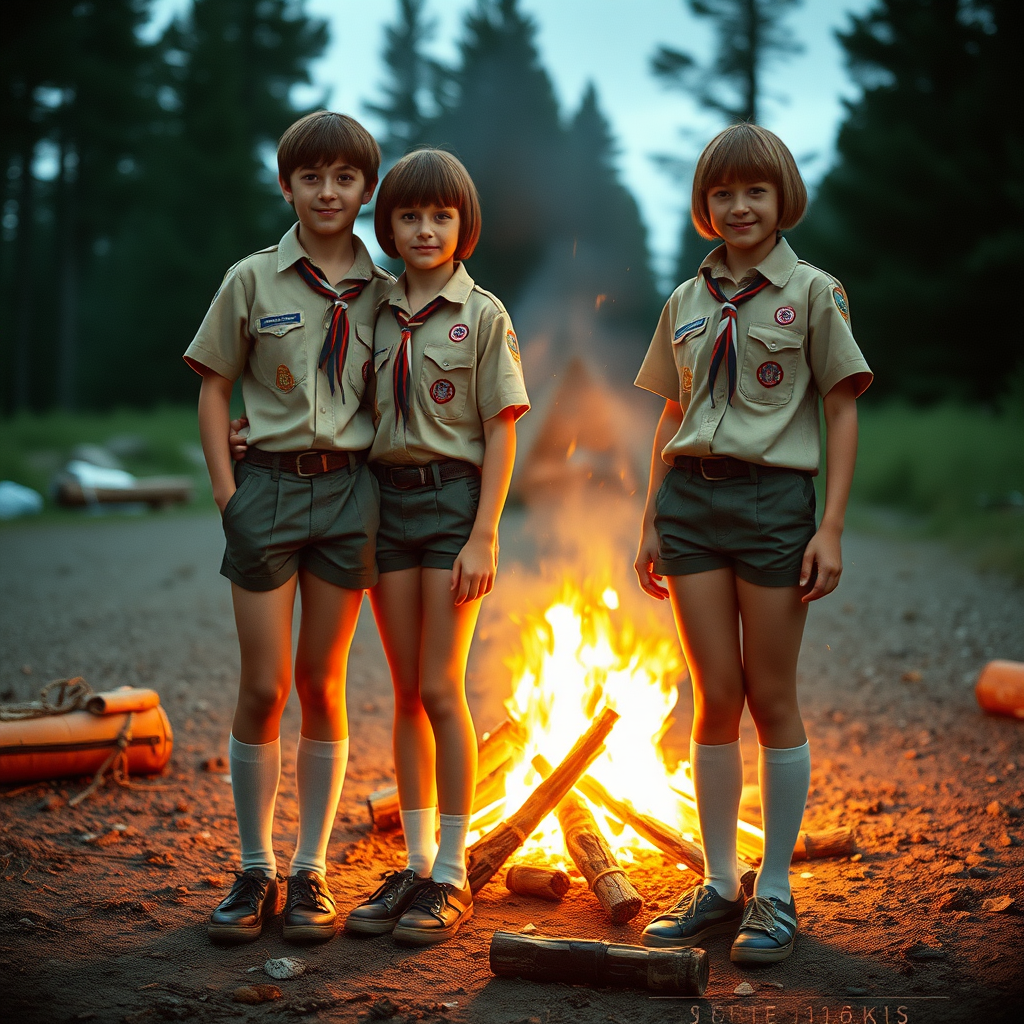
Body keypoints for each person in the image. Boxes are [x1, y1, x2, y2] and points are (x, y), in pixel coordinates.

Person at [633, 123, 872, 964]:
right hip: (692, 505)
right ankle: (721, 882)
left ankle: (775, 892)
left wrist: (830, 526)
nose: (739, 207)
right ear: (706, 205)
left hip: (776, 506)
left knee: (772, 697)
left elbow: (841, 408)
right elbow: (671, 410)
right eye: (724, 194)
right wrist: (649, 516)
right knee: (713, 699)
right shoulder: (686, 302)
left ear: (782, 201)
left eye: (755, 192)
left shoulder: (813, 293)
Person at [184, 111, 393, 945]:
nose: (329, 192)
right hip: (265, 490)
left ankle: (309, 870)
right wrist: (226, 492)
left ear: (366, 191)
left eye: (346, 178)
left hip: (348, 496)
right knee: (263, 686)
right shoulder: (251, 280)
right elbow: (212, 389)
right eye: (312, 177)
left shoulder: (386, 294)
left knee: (321, 684)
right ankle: (253, 865)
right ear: (288, 186)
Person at [342, 149, 530, 946]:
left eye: (441, 217)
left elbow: (501, 428)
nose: (425, 230)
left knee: (442, 688)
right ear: (387, 225)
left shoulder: (481, 313)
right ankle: (416, 864)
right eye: (410, 216)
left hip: (453, 505)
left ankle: (451, 872)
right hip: (385, 506)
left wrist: (485, 531)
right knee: (405, 693)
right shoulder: (371, 308)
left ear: (463, 226)